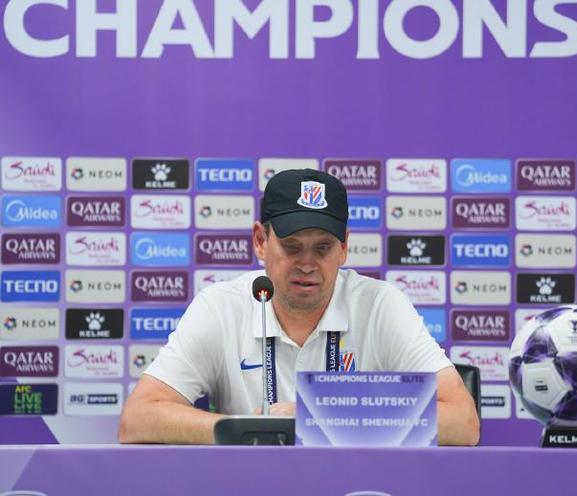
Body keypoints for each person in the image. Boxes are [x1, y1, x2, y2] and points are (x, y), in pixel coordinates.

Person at [119, 168, 480, 445]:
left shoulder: (380, 306)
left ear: (344, 247)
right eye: (292, 246)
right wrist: (251, 432)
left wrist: (317, 420)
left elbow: (463, 421)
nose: (307, 264)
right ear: (260, 241)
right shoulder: (221, 307)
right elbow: (138, 418)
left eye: (323, 248)